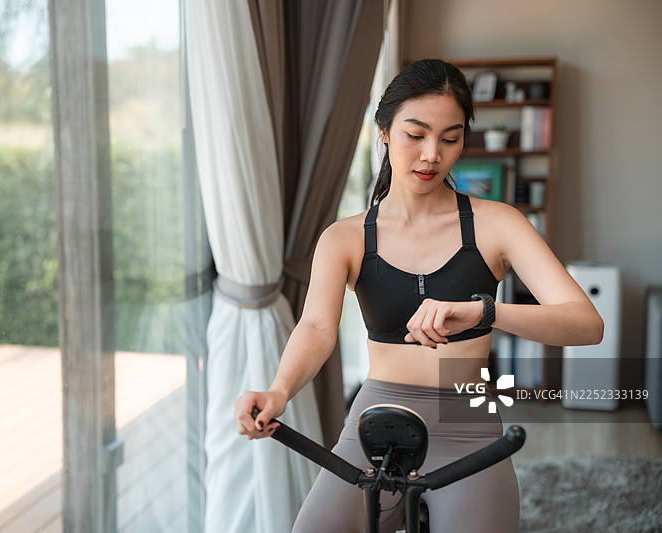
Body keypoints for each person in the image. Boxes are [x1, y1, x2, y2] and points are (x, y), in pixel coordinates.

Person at [233, 58, 603, 533]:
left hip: (467, 415)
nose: (432, 154)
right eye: (416, 134)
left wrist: (485, 311)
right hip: (377, 419)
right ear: (385, 130)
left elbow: (586, 324)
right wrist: (278, 391)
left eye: (450, 139)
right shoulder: (344, 238)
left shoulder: (498, 223)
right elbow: (318, 327)